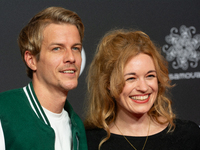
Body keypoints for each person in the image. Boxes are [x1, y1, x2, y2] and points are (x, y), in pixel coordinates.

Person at [84, 29, 200, 150]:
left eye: (150, 76)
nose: (144, 88)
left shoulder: (188, 136)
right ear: (108, 83)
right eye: (131, 78)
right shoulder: (89, 142)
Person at [0, 7, 88, 150]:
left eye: (75, 48)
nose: (71, 58)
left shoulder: (77, 126)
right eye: (57, 48)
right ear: (31, 60)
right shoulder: (4, 112)